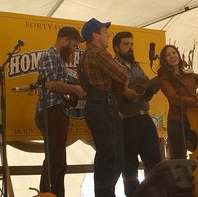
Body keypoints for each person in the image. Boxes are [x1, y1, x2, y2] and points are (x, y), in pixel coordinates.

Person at [78, 18, 138, 197]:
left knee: (107, 156)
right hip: (103, 107)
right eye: (105, 32)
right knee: (113, 157)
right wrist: (122, 76)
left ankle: (104, 193)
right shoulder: (98, 53)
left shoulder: (86, 54)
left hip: (97, 106)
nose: (107, 35)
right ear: (95, 36)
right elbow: (122, 74)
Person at [35, 26, 86, 197]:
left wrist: (73, 90)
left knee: (58, 160)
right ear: (64, 40)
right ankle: (47, 194)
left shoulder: (58, 58)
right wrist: (75, 89)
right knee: (54, 161)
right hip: (51, 111)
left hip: (57, 111)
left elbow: (59, 84)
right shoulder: (50, 55)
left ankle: (55, 194)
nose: (74, 49)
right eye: (73, 45)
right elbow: (52, 84)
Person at [112, 31, 162, 196]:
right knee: (129, 165)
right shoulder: (113, 66)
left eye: (132, 44)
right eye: (126, 44)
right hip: (126, 121)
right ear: (116, 47)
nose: (130, 47)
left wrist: (152, 88)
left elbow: (144, 87)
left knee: (154, 160)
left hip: (144, 118)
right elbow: (113, 93)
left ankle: (153, 193)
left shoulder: (136, 65)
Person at [157, 45, 198, 159]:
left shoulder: (188, 74)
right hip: (176, 122)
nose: (172, 56)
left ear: (178, 55)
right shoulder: (164, 78)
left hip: (194, 120)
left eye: (174, 53)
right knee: (179, 157)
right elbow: (174, 98)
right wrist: (197, 102)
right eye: (168, 55)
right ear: (164, 59)